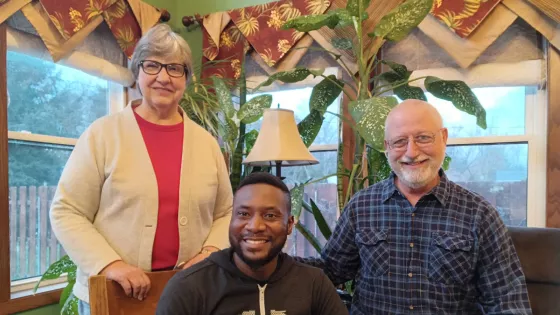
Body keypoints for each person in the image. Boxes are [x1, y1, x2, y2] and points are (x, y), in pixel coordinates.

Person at [49, 23, 232, 314]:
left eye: (174, 68)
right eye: (152, 65)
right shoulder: (102, 135)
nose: (163, 77)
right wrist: (111, 264)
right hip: (114, 293)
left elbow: (226, 212)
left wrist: (209, 253)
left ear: (186, 79)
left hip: (188, 292)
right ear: (137, 72)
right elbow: (66, 211)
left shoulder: (207, 143)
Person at [298, 99, 532, 314]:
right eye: (400, 141)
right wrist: (273, 260)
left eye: (423, 138)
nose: (411, 152)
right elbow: (331, 271)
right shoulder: (362, 207)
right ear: (387, 146)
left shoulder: (479, 214)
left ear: (444, 137)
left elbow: (507, 301)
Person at [156, 172, 349, 315]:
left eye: (270, 215)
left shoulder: (314, 284)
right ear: (231, 220)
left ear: (289, 225)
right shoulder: (190, 286)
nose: (255, 226)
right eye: (243, 214)